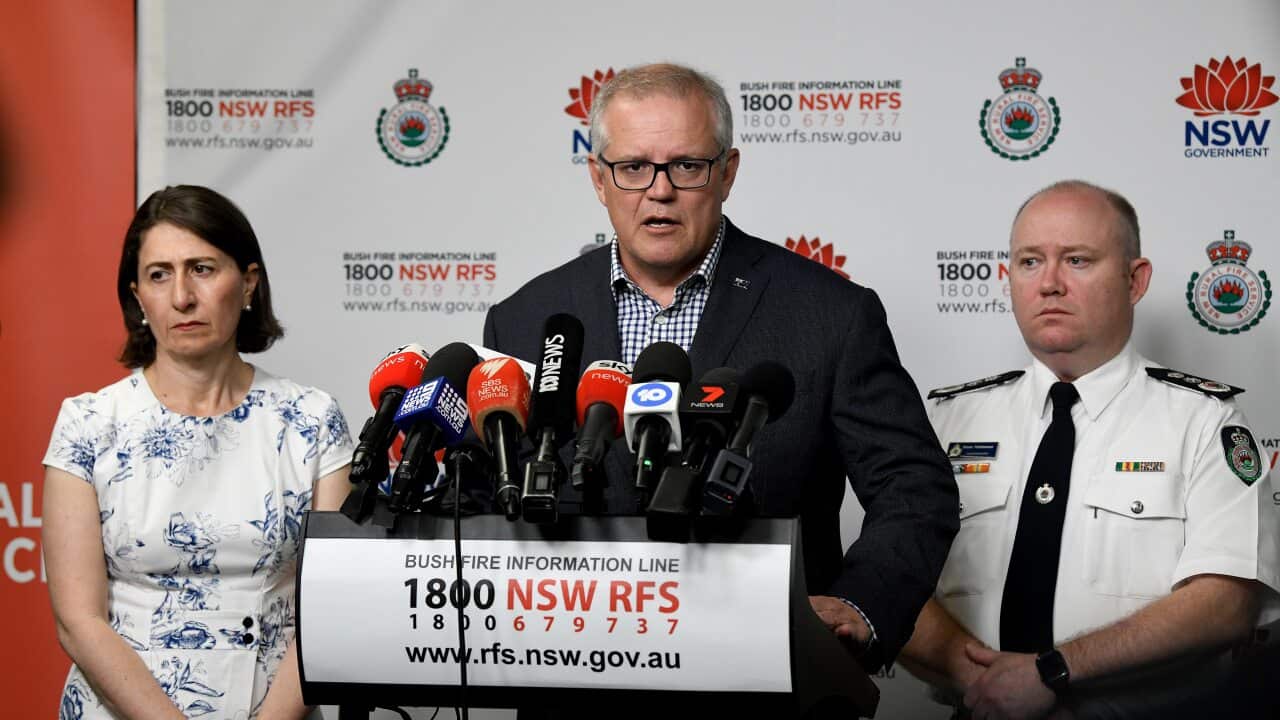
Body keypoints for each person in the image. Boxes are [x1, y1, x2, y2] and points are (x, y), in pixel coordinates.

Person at [483, 62, 957, 672]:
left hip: (769, 678)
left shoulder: (832, 314)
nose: (659, 191)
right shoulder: (525, 320)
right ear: (599, 179)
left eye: (687, 166)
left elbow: (914, 486)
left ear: (727, 174)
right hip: (575, 680)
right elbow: (491, 497)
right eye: (633, 168)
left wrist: (862, 605)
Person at [899, 180, 1279, 718]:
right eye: (1029, 262)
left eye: (1077, 260)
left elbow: (1226, 602)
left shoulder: (1204, 421)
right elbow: (893, 578)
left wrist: (1052, 672)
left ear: (1135, 279)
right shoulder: (945, 420)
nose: (1049, 283)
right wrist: (982, 681)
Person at [42, 185, 354, 719]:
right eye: (160, 275)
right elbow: (78, 620)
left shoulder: (312, 420)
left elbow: (332, 609)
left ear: (249, 282)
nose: (182, 296)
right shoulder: (88, 424)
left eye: (202, 269)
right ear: (138, 296)